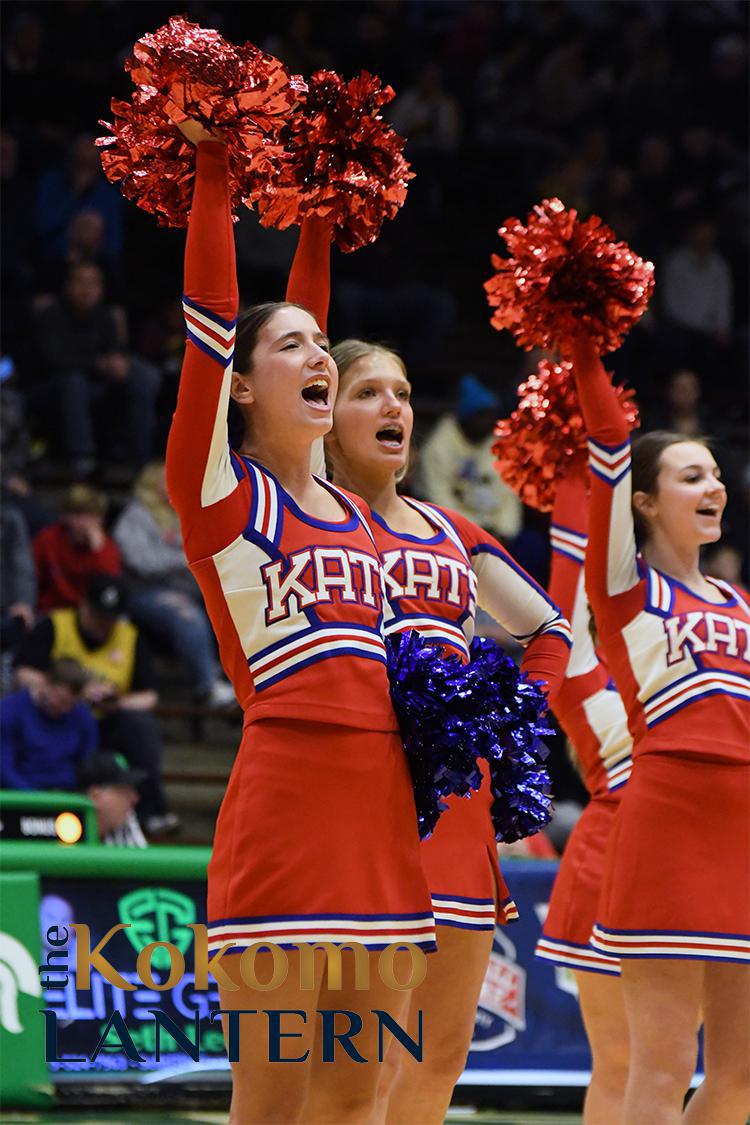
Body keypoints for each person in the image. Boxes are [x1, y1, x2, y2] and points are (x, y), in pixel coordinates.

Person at [164, 124, 435, 1124]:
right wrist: (212, 168)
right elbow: (214, 317)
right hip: (285, 817)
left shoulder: (344, 498)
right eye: (292, 351)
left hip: (382, 825)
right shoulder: (220, 498)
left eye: (325, 347)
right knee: (274, 1103)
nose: (319, 356)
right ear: (240, 385)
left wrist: (323, 203)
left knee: (357, 1104)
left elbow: (309, 318)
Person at [326, 338, 572, 1124]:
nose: (394, 405)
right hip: (350, 809)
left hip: (456, 815)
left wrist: (512, 722)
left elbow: (550, 631)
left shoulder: (452, 530)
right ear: (323, 414)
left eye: (401, 391)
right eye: (368, 391)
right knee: (342, 1080)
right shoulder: (305, 519)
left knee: (435, 1066)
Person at [569, 334, 750, 1124]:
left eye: (714, 474)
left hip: (742, 834)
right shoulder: (625, 591)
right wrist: (582, 346)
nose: (712, 486)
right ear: (644, 500)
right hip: (668, 828)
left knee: (742, 1075)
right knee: (662, 1065)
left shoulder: (742, 606)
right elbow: (611, 445)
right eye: (690, 476)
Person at [533, 463, 633, 1123]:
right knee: (626, 1063)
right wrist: (575, 472)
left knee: (705, 1065)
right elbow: (562, 601)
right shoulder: (585, 679)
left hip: (714, 866)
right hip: (613, 869)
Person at [14, 574, 175, 835]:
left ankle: (149, 811)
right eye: (98, 615)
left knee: (141, 727)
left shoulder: (130, 638)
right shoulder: (55, 625)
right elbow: (24, 673)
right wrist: (72, 692)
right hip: (56, 718)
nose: (103, 624)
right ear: (83, 605)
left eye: (110, 618)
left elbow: (149, 695)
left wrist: (116, 701)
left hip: (104, 721)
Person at [112, 461, 234, 706]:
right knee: (186, 614)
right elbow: (140, 561)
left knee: (232, 603)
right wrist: (185, 559)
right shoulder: (136, 515)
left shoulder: (183, 511)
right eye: (165, 478)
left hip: (189, 588)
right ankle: (207, 687)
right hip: (144, 591)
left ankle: (238, 676)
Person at [28, 260, 160, 474]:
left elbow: (114, 351)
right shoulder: (51, 315)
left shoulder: (105, 316)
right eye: (81, 283)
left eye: (93, 284)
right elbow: (52, 359)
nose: (87, 290)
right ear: (68, 286)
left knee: (145, 375)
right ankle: (82, 458)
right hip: (51, 388)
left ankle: (142, 457)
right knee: (73, 381)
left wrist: (119, 363)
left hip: (94, 386)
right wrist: (98, 363)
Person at [418, 373, 523, 543]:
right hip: (451, 533)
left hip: (497, 533)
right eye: (481, 415)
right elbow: (439, 500)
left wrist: (505, 532)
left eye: (491, 415)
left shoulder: (497, 445)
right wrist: (475, 532)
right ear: (466, 417)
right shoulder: (439, 446)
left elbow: (509, 497)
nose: (487, 421)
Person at [0, 657, 96, 791]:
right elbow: (4, 768)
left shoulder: (82, 716)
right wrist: (36, 799)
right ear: (45, 683)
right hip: (22, 796)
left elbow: (88, 764)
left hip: (69, 797)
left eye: (71, 703)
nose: (66, 709)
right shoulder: (9, 711)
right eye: (60, 700)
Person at [33, 484, 121, 612]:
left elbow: (109, 588)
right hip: (53, 611)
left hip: (92, 613)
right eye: (78, 516)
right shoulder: (48, 539)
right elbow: (31, 579)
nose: (85, 524)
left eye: (92, 516)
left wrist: (98, 550)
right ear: (65, 517)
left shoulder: (106, 546)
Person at [78, 751, 147, 847]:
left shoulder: (124, 821)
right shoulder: (63, 826)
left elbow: (140, 859)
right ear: (95, 795)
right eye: (124, 792)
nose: (135, 798)